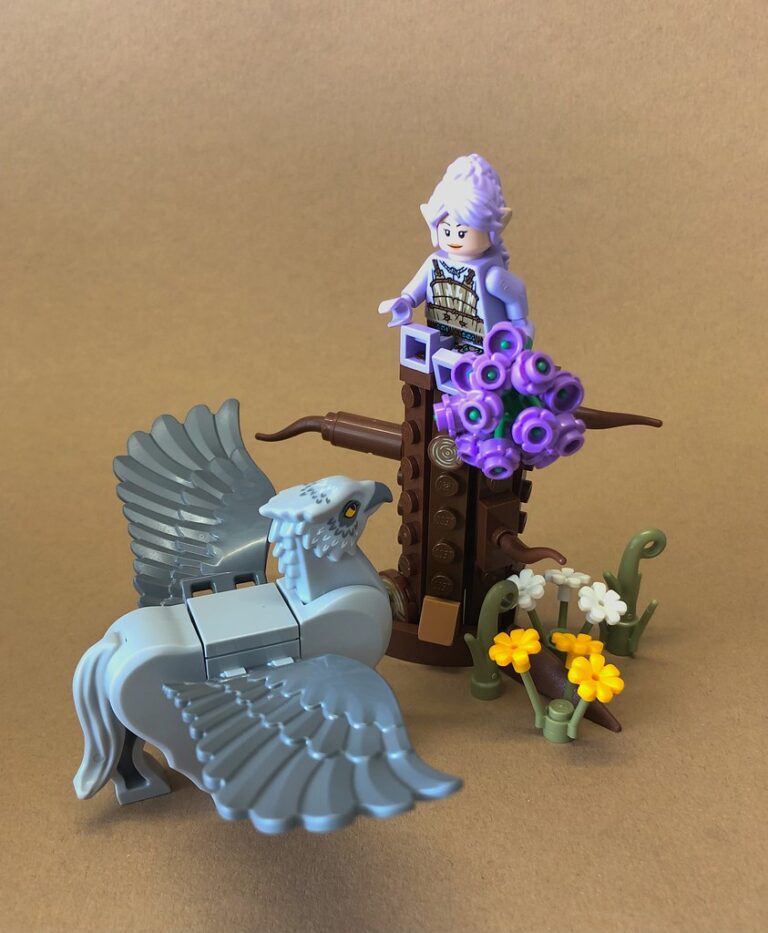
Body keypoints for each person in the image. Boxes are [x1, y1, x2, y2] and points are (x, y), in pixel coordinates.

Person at [378, 154, 533, 353]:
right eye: (446, 231)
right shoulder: (435, 262)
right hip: (440, 336)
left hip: (485, 347)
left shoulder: (492, 275)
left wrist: (520, 329)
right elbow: (418, 287)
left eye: (462, 233)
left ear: (494, 228)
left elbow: (516, 296)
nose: (454, 238)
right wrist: (405, 302)